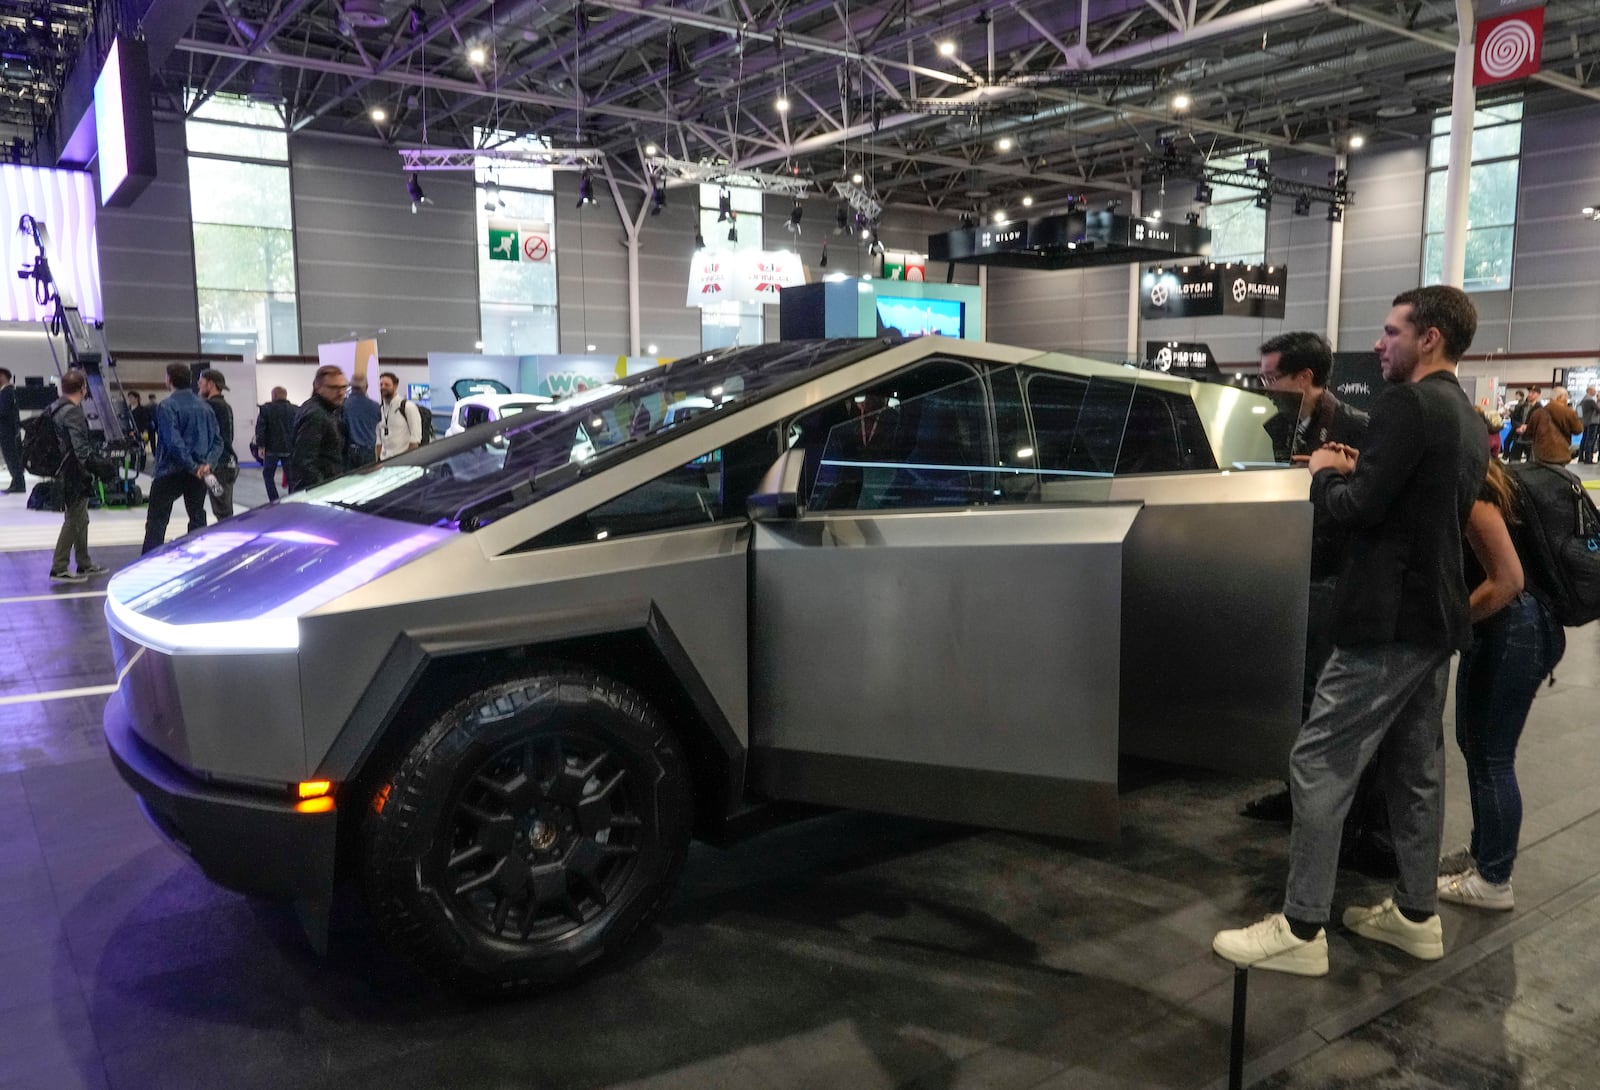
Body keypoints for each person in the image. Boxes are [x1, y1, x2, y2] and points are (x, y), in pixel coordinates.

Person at [1212, 286, 1488, 977]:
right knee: (1414, 769)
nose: (1379, 343)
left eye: (1392, 331)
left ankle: (1302, 927)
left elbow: (1358, 510)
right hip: (1436, 617)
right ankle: (1416, 916)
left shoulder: (1407, 403)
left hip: (1384, 620)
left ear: (1428, 338)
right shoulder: (1466, 414)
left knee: (1317, 760)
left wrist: (1325, 476)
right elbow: (1414, 509)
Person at [1246, 334, 1393, 874]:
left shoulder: (1357, 428)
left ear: (1304, 378)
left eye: (1271, 378)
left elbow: (1359, 509)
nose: (1266, 388)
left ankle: (1352, 825)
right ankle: (1295, 796)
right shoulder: (1273, 426)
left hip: (1332, 577)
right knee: (1292, 696)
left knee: (1328, 706)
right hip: (1287, 569)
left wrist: (1325, 478)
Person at [1439, 459, 1565, 911]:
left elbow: (1508, 581)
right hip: (1511, 630)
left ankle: (1494, 878)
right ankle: (1483, 854)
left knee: (1492, 757)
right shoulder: (1492, 484)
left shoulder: (1474, 494)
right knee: (1477, 746)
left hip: (1514, 631)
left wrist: (1449, 624)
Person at [141, 362, 222, 555]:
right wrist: (207, 464)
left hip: (171, 471)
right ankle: (198, 556)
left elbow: (173, 442)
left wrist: (192, 466)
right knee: (197, 516)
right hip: (200, 473)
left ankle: (150, 561)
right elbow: (218, 441)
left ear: (169, 379)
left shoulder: (167, 406)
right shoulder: (205, 407)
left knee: (157, 521)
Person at [47, 370, 109, 583]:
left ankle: (84, 563)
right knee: (74, 519)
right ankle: (59, 567)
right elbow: (80, 449)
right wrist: (99, 467)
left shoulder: (54, 407)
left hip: (61, 471)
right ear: (83, 388)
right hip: (74, 472)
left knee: (80, 518)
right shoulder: (73, 412)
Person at [290, 365, 349, 492]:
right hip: (318, 492)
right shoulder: (315, 414)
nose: (341, 393)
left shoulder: (330, 410)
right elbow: (304, 462)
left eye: (344, 387)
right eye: (334, 388)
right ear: (318, 387)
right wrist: (323, 490)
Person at [198, 370, 238, 520]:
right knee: (223, 505)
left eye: (201, 383)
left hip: (216, 468)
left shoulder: (210, 406)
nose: (198, 386)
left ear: (211, 384)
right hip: (227, 464)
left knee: (222, 508)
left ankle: (230, 538)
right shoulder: (225, 406)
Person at [255, 386, 296, 502]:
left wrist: (261, 446)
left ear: (274, 395)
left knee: (268, 475)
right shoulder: (295, 410)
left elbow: (261, 429)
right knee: (292, 477)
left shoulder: (266, 409)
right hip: (290, 449)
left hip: (271, 449)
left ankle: (274, 500)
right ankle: (292, 499)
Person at [1522, 388, 1582, 465]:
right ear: (1560, 397)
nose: (1567, 401)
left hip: (1540, 454)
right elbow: (1578, 430)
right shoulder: (1569, 412)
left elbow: (1529, 433)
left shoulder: (1538, 413)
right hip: (1560, 453)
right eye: (1566, 398)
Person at [377, 371, 423, 460]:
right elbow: (378, 438)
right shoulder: (380, 409)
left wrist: (407, 460)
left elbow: (415, 438)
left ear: (395, 386)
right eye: (381, 384)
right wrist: (379, 459)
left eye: (387, 384)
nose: (383, 387)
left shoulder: (407, 407)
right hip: (384, 460)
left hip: (402, 460)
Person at [343, 374, 381, 469]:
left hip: (349, 452)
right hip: (368, 452)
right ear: (366, 387)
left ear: (351, 387)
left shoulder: (343, 405)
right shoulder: (375, 406)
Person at [0, 367, 24, 493]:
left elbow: (3, 411)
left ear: (3, 376)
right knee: (12, 458)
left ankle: (19, 484)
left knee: (12, 458)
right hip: (10, 430)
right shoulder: (8, 391)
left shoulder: (7, 392)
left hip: (7, 431)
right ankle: (17, 482)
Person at [1505, 389, 1536, 462]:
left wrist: (1526, 428)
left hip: (1530, 438)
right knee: (1514, 459)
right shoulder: (1520, 406)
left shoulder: (1538, 408)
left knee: (1530, 460)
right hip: (1518, 435)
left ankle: (1506, 455)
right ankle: (1506, 455)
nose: (1530, 395)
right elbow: (1514, 419)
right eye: (1530, 393)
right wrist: (1520, 427)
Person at [1578, 386, 1600, 464]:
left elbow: (1578, 408)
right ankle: (1588, 458)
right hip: (1592, 422)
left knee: (1584, 439)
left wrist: (1581, 419)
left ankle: (1581, 457)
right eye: (1594, 390)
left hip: (1586, 422)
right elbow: (1598, 410)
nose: (1596, 392)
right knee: (1590, 440)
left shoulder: (1583, 399)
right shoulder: (1590, 400)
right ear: (1590, 391)